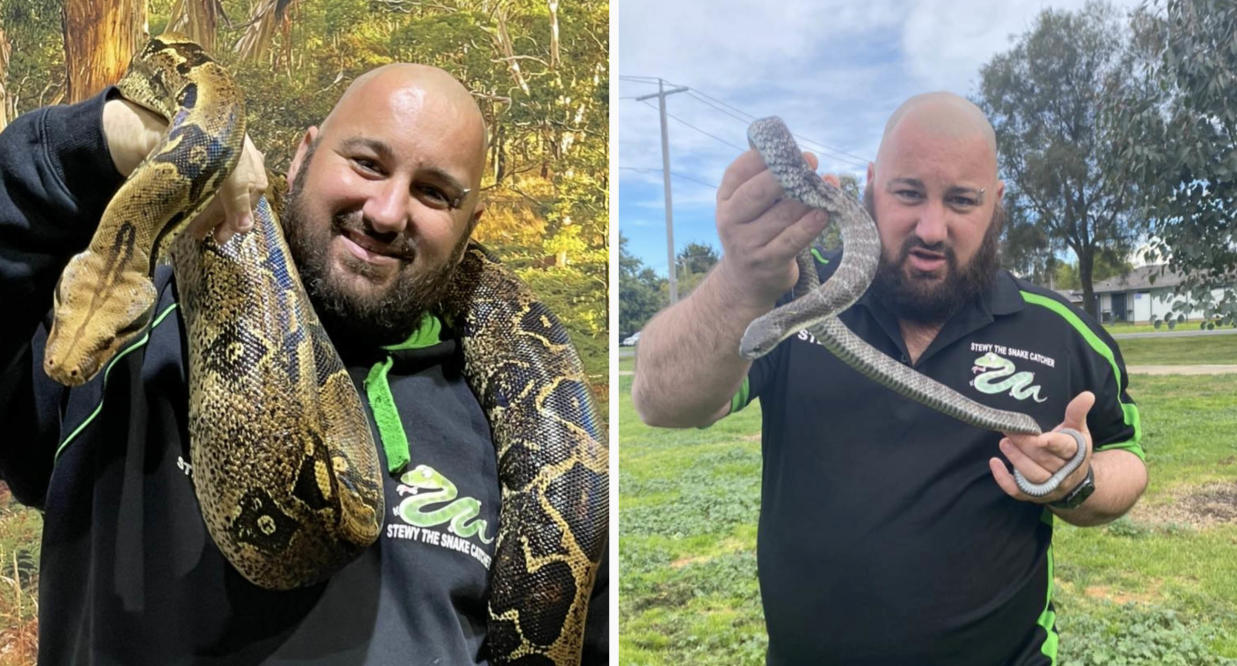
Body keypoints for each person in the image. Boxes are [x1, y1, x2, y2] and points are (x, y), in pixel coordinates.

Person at [0, 62, 605, 663]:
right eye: (367, 163)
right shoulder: (124, 342)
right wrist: (101, 140)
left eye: (434, 193)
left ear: (470, 228)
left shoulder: (539, 439)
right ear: (302, 157)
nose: (388, 212)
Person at [632, 92, 1146, 665]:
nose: (931, 227)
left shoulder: (1058, 329)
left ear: (996, 203)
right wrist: (743, 280)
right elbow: (660, 400)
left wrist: (1076, 480)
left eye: (961, 200)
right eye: (907, 193)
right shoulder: (789, 292)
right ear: (871, 186)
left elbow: (1128, 459)